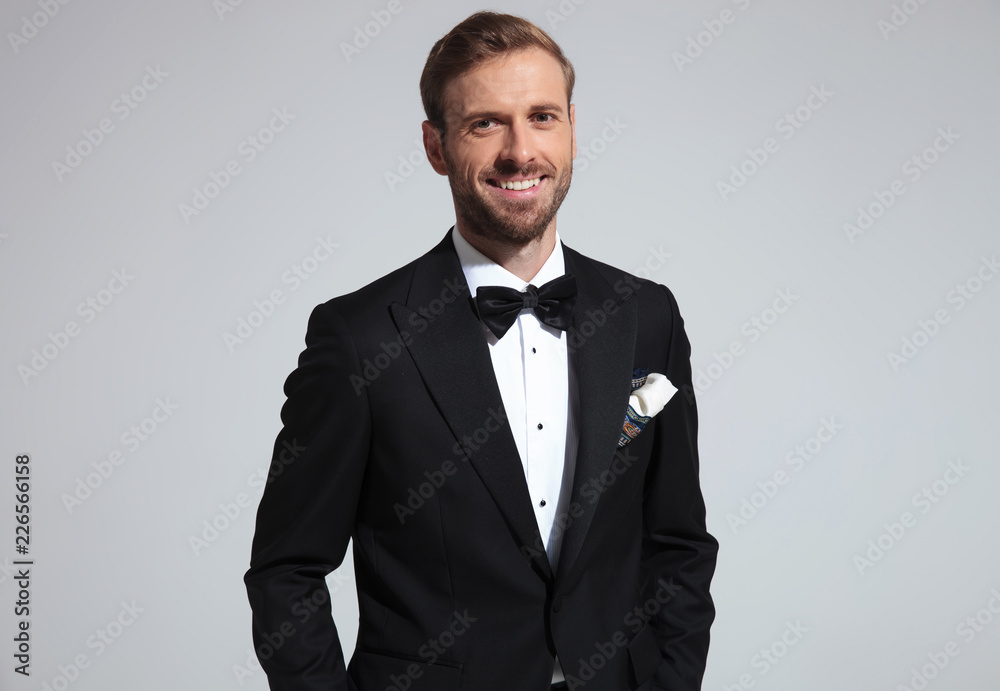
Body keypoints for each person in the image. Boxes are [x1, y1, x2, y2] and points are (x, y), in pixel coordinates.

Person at [244, 11, 718, 691]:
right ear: (436, 147)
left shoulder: (647, 316)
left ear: (574, 130)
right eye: (485, 123)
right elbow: (286, 570)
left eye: (543, 116)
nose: (521, 151)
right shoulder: (360, 339)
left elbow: (678, 541)